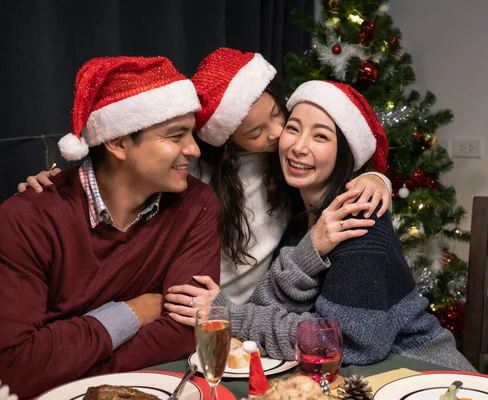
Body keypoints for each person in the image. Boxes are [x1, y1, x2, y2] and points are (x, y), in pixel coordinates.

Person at [19, 48, 393, 307]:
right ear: (227, 138)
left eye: (280, 115)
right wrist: (62, 185)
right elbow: (130, 173)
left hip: (263, 311)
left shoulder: (288, 162)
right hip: (210, 310)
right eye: (256, 133)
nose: (280, 135)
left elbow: (333, 164)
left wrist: (376, 178)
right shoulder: (194, 171)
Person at [171, 80, 474, 372]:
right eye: (293, 129)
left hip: (425, 373)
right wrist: (309, 251)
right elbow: (266, 304)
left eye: (320, 136)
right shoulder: (298, 216)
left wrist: (230, 317)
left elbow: (346, 342)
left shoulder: (358, 221)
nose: (298, 147)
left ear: (344, 151)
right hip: (363, 379)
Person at [0, 56, 220, 398]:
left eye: (191, 133)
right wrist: (133, 312)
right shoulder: (27, 219)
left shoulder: (196, 204)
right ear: (117, 142)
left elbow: (185, 329)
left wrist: (64, 364)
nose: (193, 149)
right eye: (175, 136)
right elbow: (15, 366)